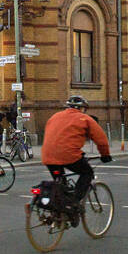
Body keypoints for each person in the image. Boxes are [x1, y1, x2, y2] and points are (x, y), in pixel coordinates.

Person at [41, 95, 112, 224]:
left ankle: (59, 211)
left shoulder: (54, 117)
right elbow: (101, 140)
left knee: (59, 184)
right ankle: (73, 204)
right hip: (69, 155)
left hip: (48, 156)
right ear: (83, 108)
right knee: (87, 173)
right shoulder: (85, 118)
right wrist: (105, 155)